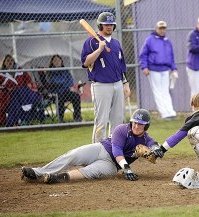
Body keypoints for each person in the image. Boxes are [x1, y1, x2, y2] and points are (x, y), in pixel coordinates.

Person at [21, 109, 158, 184]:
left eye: (140, 124)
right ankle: (37, 172)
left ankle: (54, 178)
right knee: (73, 155)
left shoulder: (145, 139)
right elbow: (116, 151)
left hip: (111, 166)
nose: (136, 125)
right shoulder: (121, 129)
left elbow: (154, 145)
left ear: (146, 126)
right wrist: (127, 168)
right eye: (134, 122)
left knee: (88, 172)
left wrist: (157, 149)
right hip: (100, 149)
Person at [81, 12, 130, 143]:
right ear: (100, 25)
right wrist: (99, 50)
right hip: (101, 85)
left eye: (111, 24)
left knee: (118, 120)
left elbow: (121, 66)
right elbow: (86, 63)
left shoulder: (116, 43)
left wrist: (125, 83)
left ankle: (114, 149)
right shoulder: (91, 42)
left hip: (118, 84)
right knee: (101, 121)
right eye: (106, 24)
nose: (109, 27)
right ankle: (96, 151)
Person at [139, 20, 178, 120]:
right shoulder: (150, 39)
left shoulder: (167, 41)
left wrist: (174, 69)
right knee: (158, 92)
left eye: (163, 28)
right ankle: (164, 113)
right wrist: (144, 67)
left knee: (165, 91)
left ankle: (171, 112)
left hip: (165, 69)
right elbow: (143, 54)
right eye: (160, 28)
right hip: (153, 69)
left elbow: (171, 56)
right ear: (156, 28)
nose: (162, 30)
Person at [0, 54, 38, 126]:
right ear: (4, 63)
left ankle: (11, 122)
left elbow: (29, 81)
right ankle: (20, 121)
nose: (10, 62)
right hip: (7, 97)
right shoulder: (0, 74)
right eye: (8, 61)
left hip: (23, 95)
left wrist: (29, 85)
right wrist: (5, 87)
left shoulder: (20, 71)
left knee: (17, 92)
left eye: (12, 60)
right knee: (15, 96)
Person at [48, 54, 82, 122]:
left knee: (76, 96)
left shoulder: (65, 71)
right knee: (60, 99)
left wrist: (63, 84)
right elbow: (54, 82)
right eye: (55, 61)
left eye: (58, 60)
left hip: (66, 92)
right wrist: (64, 83)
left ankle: (77, 117)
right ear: (52, 63)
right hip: (56, 93)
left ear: (61, 61)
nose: (57, 62)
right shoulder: (50, 72)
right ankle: (60, 119)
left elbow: (71, 81)